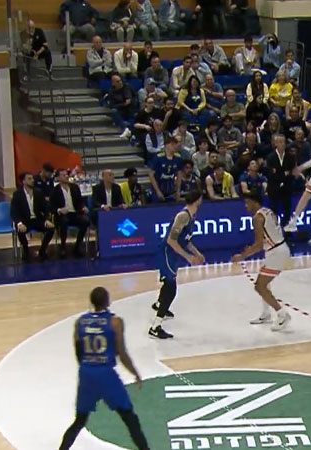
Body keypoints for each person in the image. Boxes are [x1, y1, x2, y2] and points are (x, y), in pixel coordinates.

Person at [58, 287, 150, 450]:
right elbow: (122, 353)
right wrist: (135, 373)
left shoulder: (80, 322)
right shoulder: (115, 322)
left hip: (86, 373)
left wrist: (88, 367)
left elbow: (78, 351)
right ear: (107, 301)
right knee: (129, 418)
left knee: (80, 420)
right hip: (106, 375)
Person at [231, 191, 292, 330]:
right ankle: (266, 313)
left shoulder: (257, 218)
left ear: (254, 202)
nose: (246, 206)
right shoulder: (267, 211)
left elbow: (258, 245)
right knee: (265, 284)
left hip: (276, 252)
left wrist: (242, 256)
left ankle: (282, 314)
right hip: (277, 249)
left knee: (260, 286)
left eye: (247, 203)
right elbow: (267, 237)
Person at [149, 190, 205, 339]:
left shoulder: (191, 216)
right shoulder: (183, 216)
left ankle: (159, 304)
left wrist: (197, 253)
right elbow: (171, 240)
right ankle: (155, 327)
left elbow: (186, 240)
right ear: (198, 199)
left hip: (173, 254)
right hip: (167, 253)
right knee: (171, 289)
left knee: (168, 283)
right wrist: (189, 257)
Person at [11, 172, 55, 261]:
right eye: (29, 179)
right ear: (23, 181)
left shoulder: (38, 192)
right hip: (24, 220)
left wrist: (47, 219)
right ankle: (26, 250)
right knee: (20, 230)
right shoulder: (17, 194)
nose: (32, 180)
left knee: (51, 228)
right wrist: (19, 223)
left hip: (37, 219)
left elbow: (45, 208)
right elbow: (14, 211)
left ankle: (42, 250)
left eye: (32, 178)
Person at [50, 169, 90, 258]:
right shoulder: (55, 190)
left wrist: (83, 207)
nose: (66, 176)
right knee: (63, 222)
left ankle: (77, 246)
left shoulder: (74, 187)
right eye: (63, 175)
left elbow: (80, 201)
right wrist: (59, 210)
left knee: (85, 221)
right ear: (58, 178)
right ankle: (63, 247)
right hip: (62, 215)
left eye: (66, 174)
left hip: (75, 213)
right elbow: (51, 206)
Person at [266, 134, 295, 226]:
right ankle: (273, 231)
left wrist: (278, 172)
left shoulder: (290, 157)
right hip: (274, 189)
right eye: (280, 142)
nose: (282, 144)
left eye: (283, 142)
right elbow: (271, 174)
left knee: (287, 212)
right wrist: (284, 174)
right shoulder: (270, 157)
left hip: (286, 189)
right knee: (273, 212)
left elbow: (292, 173)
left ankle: (286, 231)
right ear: (275, 143)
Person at [148, 135, 183, 202]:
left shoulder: (178, 158)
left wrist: (178, 190)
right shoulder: (158, 158)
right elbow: (151, 175)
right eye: (172, 144)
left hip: (171, 190)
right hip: (158, 189)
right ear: (166, 145)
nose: (174, 146)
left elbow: (179, 174)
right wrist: (157, 191)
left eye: (175, 144)